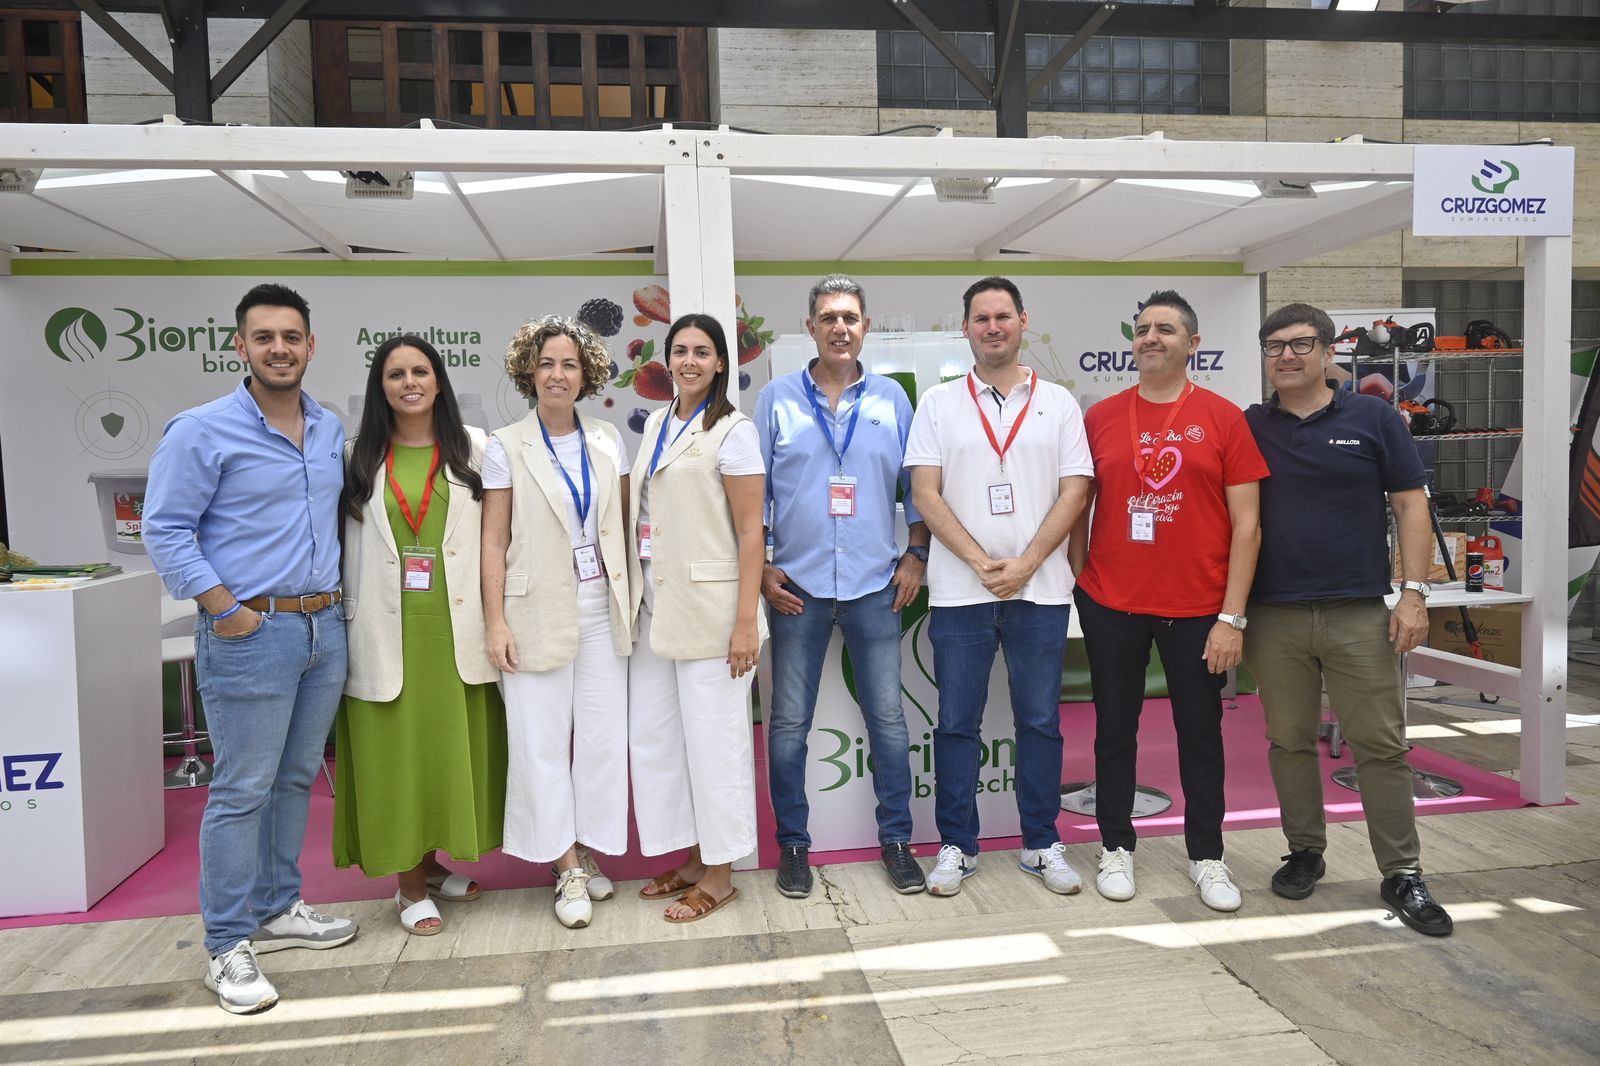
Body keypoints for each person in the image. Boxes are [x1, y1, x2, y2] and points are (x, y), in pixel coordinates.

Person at [143, 283, 356, 1015]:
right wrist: (224, 610)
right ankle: (227, 943)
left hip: (322, 628)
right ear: (239, 346)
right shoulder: (201, 430)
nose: (278, 348)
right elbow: (165, 529)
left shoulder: (328, 428)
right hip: (250, 633)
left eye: (291, 336)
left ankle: (277, 905)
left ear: (310, 345)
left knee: (297, 778)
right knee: (241, 789)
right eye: (263, 337)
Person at [1244, 302, 1454, 937]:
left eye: (1301, 344)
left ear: (1328, 352)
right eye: (1275, 346)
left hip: (1359, 613)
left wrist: (1413, 594)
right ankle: (1305, 851)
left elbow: (1411, 505)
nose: (1287, 355)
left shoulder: (1374, 416)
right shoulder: (1249, 425)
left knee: (1381, 746)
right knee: (1289, 742)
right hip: (1273, 616)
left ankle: (1402, 872)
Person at [1065, 290, 1269, 913]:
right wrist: (1082, 575)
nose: (1151, 338)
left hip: (1199, 608)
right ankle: (1115, 846)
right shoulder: (1099, 416)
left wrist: (1231, 616)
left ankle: (1207, 856)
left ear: (1193, 344)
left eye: (1166, 329)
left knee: (1199, 733)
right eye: (1143, 329)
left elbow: (1248, 525)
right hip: (1113, 601)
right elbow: (1080, 501)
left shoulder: (1224, 417)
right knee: (1113, 730)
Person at [905, 276, 1094, 897]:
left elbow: (1076, 490)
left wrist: (1026, 563)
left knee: (1038, 722)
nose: (992, 327)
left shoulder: (1060, 403)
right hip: (961, 591)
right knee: (956, 722)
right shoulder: (937, 402)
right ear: (966, 328)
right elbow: (925, 492)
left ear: (1022, 323)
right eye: (981, 318)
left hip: (1039, 592)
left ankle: (1042, 842)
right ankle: (957, 845)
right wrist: (982, 560)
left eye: (1003, 316)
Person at [755, 274, 931, 898]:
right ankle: (794, 847)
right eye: (828, 317)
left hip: (874, 585)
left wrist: (915, 555)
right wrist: (761, 567)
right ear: (810, 327)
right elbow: (754, 497)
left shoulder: (892, 401)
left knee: (887, 720)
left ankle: (897, 840)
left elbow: (919, 488)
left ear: (865, 327)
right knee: (788, 725)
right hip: (795, 587)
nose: (839, 327)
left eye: (850, 317)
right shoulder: (775, 399)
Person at [334, 335, 507, 936]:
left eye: (420, 372)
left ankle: (432, 868)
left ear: (439, 382)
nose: (409, 383)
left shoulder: (478, 450)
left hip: (455, 631)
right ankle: (407, 887)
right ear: (380, 388)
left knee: (441, 754)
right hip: (384, 630)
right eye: (395, 374)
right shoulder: (356, 457)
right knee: (396, 759)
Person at [481, 316, 633, 930]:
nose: (557, 374)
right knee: (541, 744)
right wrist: (495, 622)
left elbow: (620, 527)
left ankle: (586, 845)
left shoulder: (605, 439)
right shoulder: (505, 444)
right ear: (528, 371)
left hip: (600, 608)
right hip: (533, 609)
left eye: (569, 364)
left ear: (586, 373)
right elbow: (493, 542)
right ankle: (564, 863)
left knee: (600, 742)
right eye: (546, 363)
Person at [629, 312, 767, 923]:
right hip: (657, 609)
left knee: (716, 746)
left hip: (715, 613)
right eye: (680, 350)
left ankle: (721, 870)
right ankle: (688, 855)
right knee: (661, 742)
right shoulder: (658, 422)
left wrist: (745, 622)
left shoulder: (734, 432)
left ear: (720, 363)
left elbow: (749, 531)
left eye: (702, 352)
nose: (690, 361)